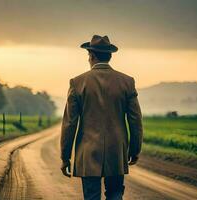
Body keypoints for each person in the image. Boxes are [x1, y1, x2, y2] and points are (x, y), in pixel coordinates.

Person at [60, 35, 143, 200]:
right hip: (116, 151)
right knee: (115, 194)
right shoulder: (127, 82)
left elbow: (69, 124)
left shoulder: (77, 83)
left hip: (88, 151)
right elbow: (135, 121)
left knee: (91, 197)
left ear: (91, 56)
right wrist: (134, 150)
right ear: (110, 56)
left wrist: (65, 157)